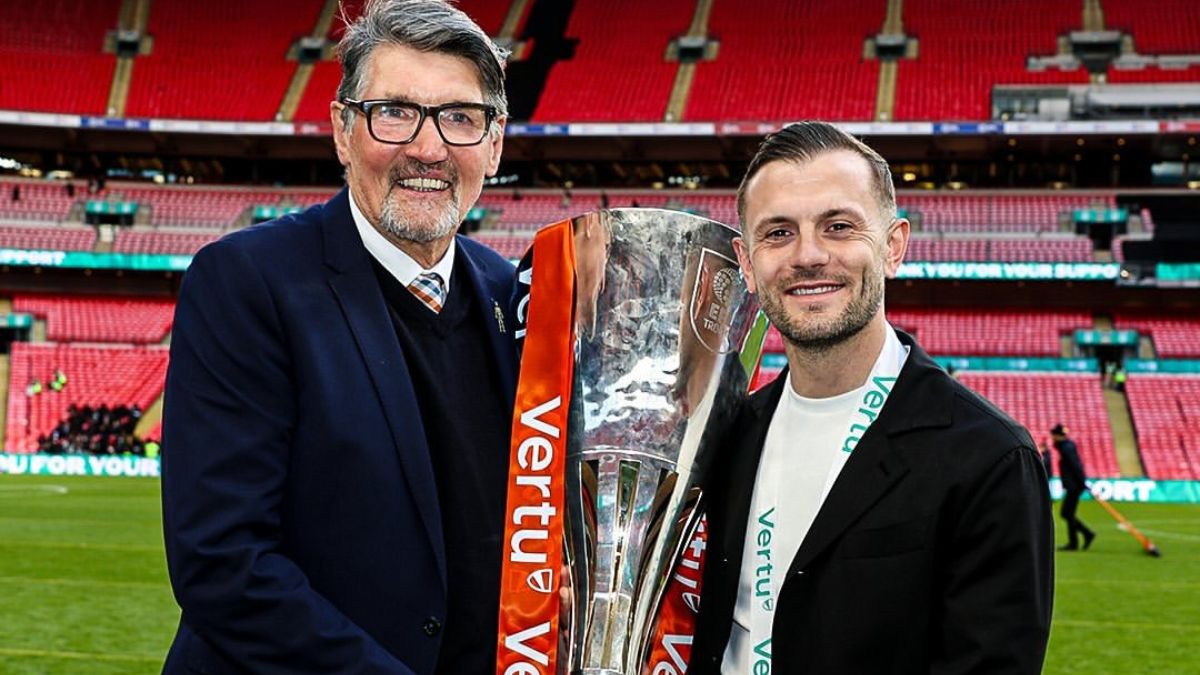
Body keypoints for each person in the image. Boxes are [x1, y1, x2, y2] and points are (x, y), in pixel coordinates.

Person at [160, 1, 517, 672]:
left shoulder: (514, 296)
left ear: (494, 144)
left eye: (460, 117)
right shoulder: (247, 282)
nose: (429, 148)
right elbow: (224, 563)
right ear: (342, 131)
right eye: (395, 112)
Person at [689, 122, 1053, 674]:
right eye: (778, 233)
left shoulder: (988, 458)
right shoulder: (725, 435)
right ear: (746, 262)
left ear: (893, 246)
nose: (808, 255)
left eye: (838, 226)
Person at [1051, 423, 1096, 551]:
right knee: (1068, 514)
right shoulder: (1065, 446)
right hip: (1074, 484)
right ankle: (1081, 538)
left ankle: (1082, 537)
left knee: (1066, 513)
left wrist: (1082, 483)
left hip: (1074, 485)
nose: (1052, 437)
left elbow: (1076, 466)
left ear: (1059, 435)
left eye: (1054, 435)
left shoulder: (1066, 448)